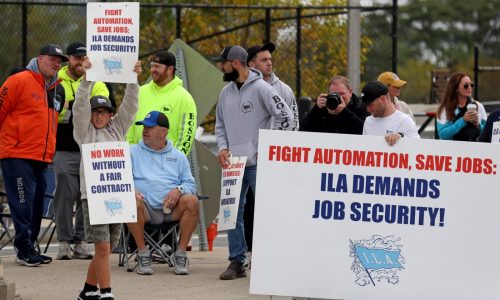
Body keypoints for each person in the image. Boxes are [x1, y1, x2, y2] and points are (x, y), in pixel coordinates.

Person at [212, 45, 295, 280]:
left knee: (269, 211)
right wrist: (222, 148)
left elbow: (286, 117)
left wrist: (268, 147)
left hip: (259, 163)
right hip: (233, 165)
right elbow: (219, 126)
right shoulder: (225, 93)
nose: (221, 66)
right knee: (231, 214)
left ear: (236, 64)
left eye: (224, 62)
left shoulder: (261, 88)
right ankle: (237, 261)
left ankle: (273, 260)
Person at [73, 58, 142, 300]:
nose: (100, 116)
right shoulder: (84, 131)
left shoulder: (117, 128)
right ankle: (106, 293)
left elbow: (131, 107)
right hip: (92, 197)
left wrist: (133, 80)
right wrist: (86, 81)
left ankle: (88, 290)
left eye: (105, 112)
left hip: (116, 195)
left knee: (108, 248)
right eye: (96, 111)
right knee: (101, 247)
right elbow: (80, 107)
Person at [0, 44, 66, 267]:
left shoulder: (58, 88)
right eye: (52, 59)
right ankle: (23, 249)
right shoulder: (19, 80)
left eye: (59, 61)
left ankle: (30, 245)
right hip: (16, 152)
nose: (56, 64)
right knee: (22, 202)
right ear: (39, 58)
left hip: (42, 156)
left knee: (38, 204)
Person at [54, 42, 109, 260]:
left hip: (90, 149)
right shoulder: (56, 80)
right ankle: (64, 242)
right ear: (68, 59)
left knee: (88, 197)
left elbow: (102, 109)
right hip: (64, 149)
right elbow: (54, 113)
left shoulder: (98, 81)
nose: (81, 62)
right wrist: (81, 107)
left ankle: (81, 242)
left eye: (85, 58)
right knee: (64, 197)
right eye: (77, 58)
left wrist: (72, 106)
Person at [126, 110, 199, 276]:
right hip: (144, 208)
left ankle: (180, 254)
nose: (145, 130)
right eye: (144, 126)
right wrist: (131, 189)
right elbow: (122, 180)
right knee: (130, 200)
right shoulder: (132, 152)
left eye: (150, 127)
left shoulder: (178, 156)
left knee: (192, 201)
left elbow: (190, 184)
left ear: (163, 132)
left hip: (171, 209)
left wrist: (178, 190)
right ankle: (143, 253)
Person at [127, 50, 197, 155]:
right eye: (152, 66)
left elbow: (186, 137)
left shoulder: (185, 98)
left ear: (170, 69)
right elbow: (129, 125)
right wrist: (131, 154)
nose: (152, 70)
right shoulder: (141, 92)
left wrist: (173, 162)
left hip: (167, 166)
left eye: (157, 66)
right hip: (138, 162)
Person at [246, 42, 299, 129]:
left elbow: (293, 124)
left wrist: (275, 141)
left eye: (270, 59)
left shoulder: (285, 90)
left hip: (275, 142)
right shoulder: (241, 89)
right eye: (264, 60)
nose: (269, 63)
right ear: (252, 65)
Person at [300, 75, 369, 134]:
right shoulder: (323, 107)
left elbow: (366, 131)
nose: (339, 97)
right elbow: (302, 131)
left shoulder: (360, 107)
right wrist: (316, 109)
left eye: (342, 93)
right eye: (334, 94)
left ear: (350, 92)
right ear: (328, 94)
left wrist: (344, 112)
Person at [361, 81, 420, 145]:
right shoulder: (368, 121)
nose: (367, 109)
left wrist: (402, 139)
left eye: (370, 105)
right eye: (366, 106)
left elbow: (418, 148)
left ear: (382, 99)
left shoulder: (405, 121)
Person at [436, 73, 486, 141]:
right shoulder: (445, 109)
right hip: (453, 150)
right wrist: (463, 121)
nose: (469, 87)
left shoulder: (479, 106)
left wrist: (478, 125)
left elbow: (487, 134)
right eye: (466, 85)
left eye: (471, 85)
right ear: (456, 88)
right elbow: (443, 135)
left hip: (475, 150)